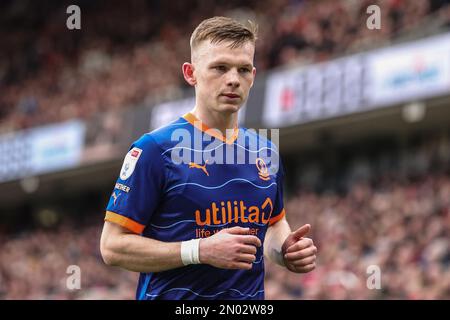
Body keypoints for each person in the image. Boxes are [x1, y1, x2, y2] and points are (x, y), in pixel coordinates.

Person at [100, 16, 317, 300]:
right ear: (191, 73)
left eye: (243, 70)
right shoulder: (154, 150)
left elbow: (273, 225)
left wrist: (286, 251)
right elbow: (112, 247)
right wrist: (199, 251)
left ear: (253, 75)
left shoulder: (266, 151)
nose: (233, 80)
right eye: (220, 68)